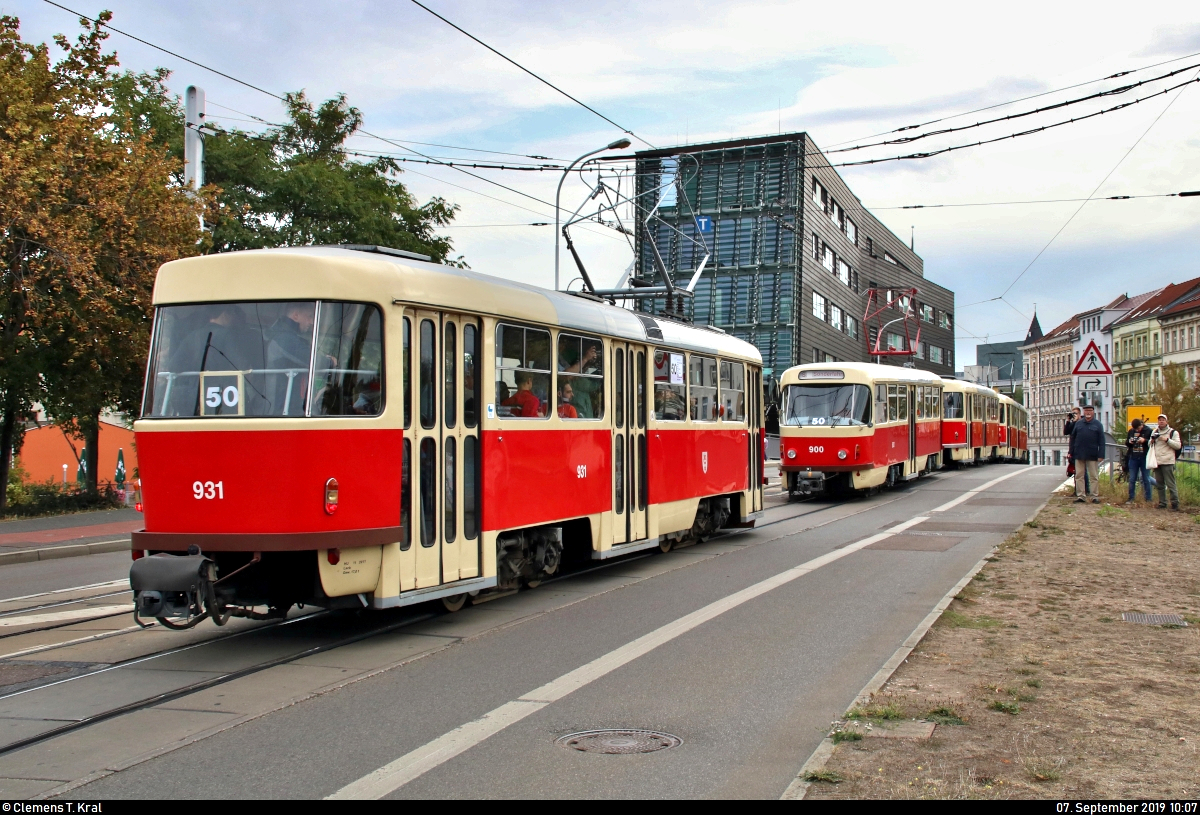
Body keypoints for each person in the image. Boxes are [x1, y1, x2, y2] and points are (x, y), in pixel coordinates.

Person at [1069, 404, 1104, 504]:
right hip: (1079, 454)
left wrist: (1101, 454)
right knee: (1079, 476)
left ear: (1093, 412)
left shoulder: (1098, 425)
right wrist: (1071, 452)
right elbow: (1073, 438)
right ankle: (1081, 496)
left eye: (1090, 411)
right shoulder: (1079, 424)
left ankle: (1094, 496)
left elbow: (1101, 441)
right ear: (1084, 412)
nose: (1088, 413)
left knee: (1093, 476)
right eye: (1086, 411)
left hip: (1092, 454)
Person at [1149, 413, 1182, 510]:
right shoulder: (1154, 431)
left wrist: (1167, 440)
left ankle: (1175, 503)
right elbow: (1149, 444)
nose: (1161, 421)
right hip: (1157, 461)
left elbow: (1178, 445)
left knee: (1170, 483)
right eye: (1159, 420)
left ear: (1166, 421)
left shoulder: (1173, 432)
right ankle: (1162, 503)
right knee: (1159, 484)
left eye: (1163, 420)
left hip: (1168, 461)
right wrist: (1151, 441)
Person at [1124, 418, 1153, 504]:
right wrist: (1130, 442)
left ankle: (1148, 499)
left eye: (1138, 428)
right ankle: (1131, 498)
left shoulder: (1149, 431)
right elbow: (1127, 443)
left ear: (1141, 425)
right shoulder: (1131, 431)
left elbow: (1152, 443)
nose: (1137, 430)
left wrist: (1144, 441)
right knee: (1132, 478)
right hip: (1133, 457)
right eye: (1135, 429)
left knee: (1146, 478)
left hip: (1144, 457)